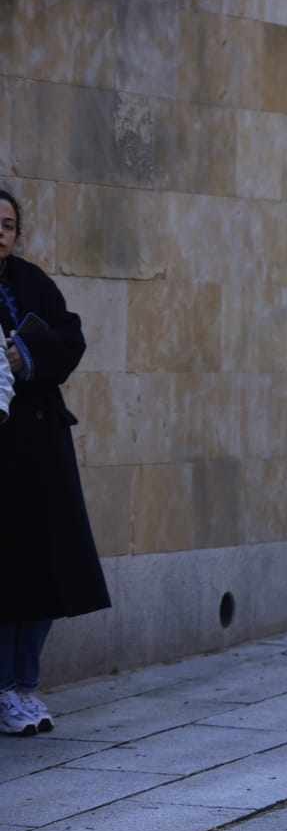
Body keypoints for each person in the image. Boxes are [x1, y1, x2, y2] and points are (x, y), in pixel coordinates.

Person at [0, 188, 111, 737]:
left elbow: (70, 335)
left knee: (46, 571)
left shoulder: (32, 281)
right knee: (6, 575)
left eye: (8, 224)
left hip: (41, 448)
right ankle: (3, 690)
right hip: (2, 452)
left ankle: (25, 685)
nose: (1, 232)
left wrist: (28, 358)